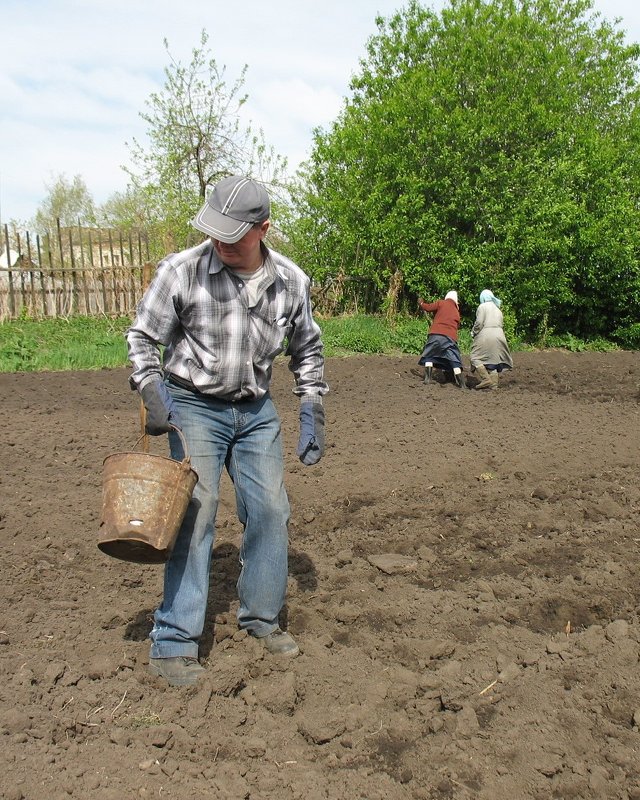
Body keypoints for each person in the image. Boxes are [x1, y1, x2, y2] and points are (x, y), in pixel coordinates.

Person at [126, 175, 328, 687]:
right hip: (193, 405)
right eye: (214, 231)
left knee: (271, 510)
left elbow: (307, 348)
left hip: (255, 409)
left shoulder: (291, 282)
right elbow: (142, 336)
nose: (220, 243)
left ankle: (261, 618)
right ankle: (173, 641)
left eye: (233, 235)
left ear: (263, 229)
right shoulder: (183, 270)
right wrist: (152, 388)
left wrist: (310, 407)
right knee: (195, 513)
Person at [416, 290, 466, 389]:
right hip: (450, 337)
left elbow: (428, 307)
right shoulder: (456, 312)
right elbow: (456, 326)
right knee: (454, 359)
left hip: (435, 333)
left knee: (429, 355)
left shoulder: (441, 303)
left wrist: (421, 303)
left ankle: (428, 379)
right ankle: (462, 384)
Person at [470, 289, 513, 390]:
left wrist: (474, 332)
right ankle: (494, 385)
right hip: (500, 335)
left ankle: (486, 379)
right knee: (493, 360)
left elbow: (479, 322)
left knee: (474, 357)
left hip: (486, 334)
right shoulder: (498, 309)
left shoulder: (482, 307)